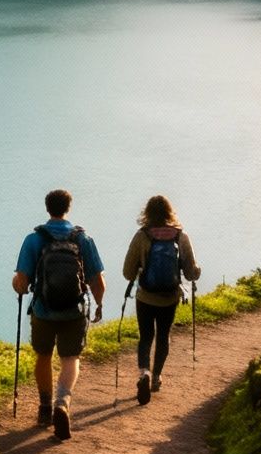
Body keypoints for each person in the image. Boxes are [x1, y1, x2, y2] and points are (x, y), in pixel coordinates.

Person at [13, 188, 106, 441]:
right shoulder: (82, 239)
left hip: (43, 310)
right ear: (68, 208)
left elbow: (22, 282)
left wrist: (18, 285)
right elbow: (97, 280)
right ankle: (62, 403)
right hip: (74, 311)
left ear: (48, 208)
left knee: (43, 356)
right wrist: (98, 304)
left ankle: (44, 408)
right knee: (70, 358)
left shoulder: (34, 239)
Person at [121, 194, 200, 405]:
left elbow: (127, 272)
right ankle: (156, 377)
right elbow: (191, 272)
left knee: (146, 337)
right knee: (163, 336)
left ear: (147, 212)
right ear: (169, 211)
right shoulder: (180, 236)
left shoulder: (142, 236)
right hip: (169, 298)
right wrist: (195, 271)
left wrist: (140, 268)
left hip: (146, 297)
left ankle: (144, 373)